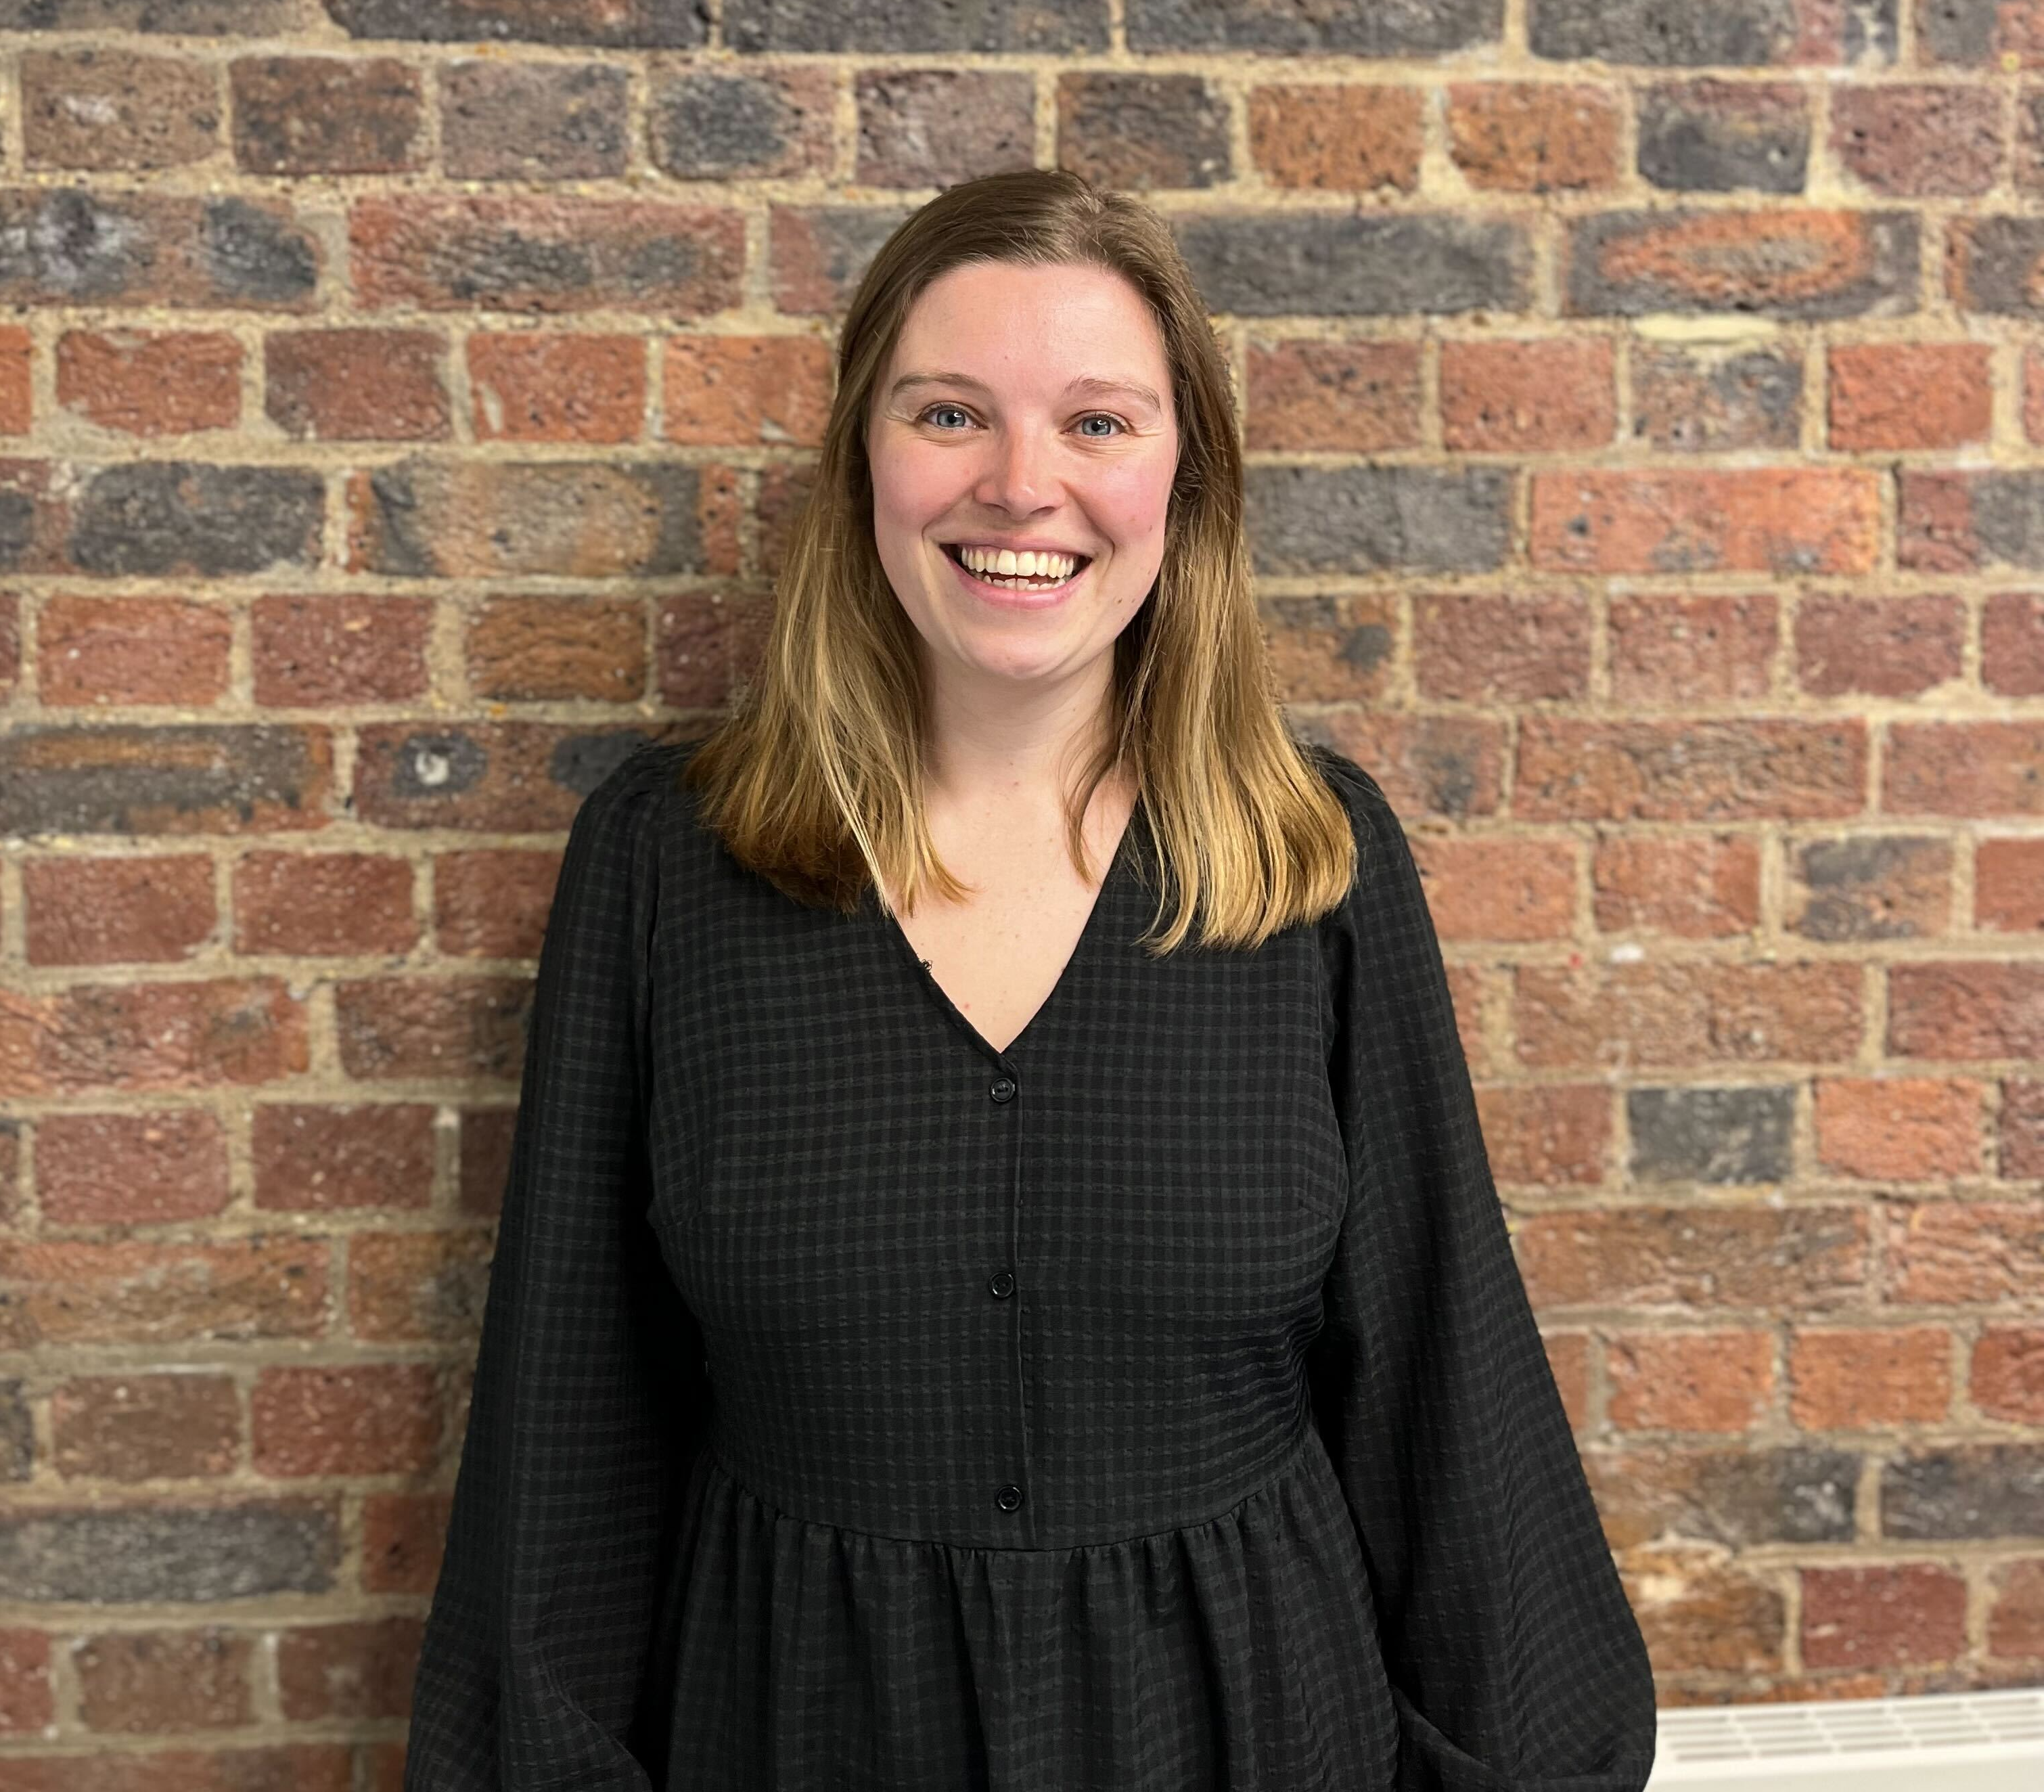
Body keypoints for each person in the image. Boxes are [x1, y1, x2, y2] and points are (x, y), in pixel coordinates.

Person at [402, 167, 1658, 1791]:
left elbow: (1445, 1376)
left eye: (1095, 423)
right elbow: (565, 1416)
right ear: (864, 451)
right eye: (948, 414)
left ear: (1182, 473)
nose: (1019, 486)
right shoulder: (667, 866)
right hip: (802, 1725)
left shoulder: (1312, 866)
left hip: (1252, 1727)